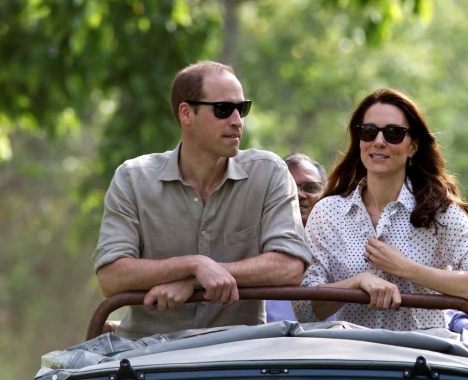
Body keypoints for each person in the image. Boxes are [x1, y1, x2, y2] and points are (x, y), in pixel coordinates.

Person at [93, 60, 312, 339]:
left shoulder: (269, 172)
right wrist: (193, 265)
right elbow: (111, 277)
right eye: (223, 110)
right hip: (146, 355)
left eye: (241, 108)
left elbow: (289, 267)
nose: (237, 120)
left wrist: (194, 282)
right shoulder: (132, 179)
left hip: (240, 354)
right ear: (186, 113)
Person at [292, 88, 468, 332]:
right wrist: (357, 284)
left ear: (412, 146)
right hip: (351, 362)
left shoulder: (439, 211)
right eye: (369, 132)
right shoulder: (328, 212)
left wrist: (406, 268)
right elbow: (304, 309)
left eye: (394, 133)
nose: (379, 142)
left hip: (424, 362)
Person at [266, 153, 327, 322]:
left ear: (325, 193)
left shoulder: (343, 248)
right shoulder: (252, 246)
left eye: (310, 187)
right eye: (288, 186)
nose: (299, 194)